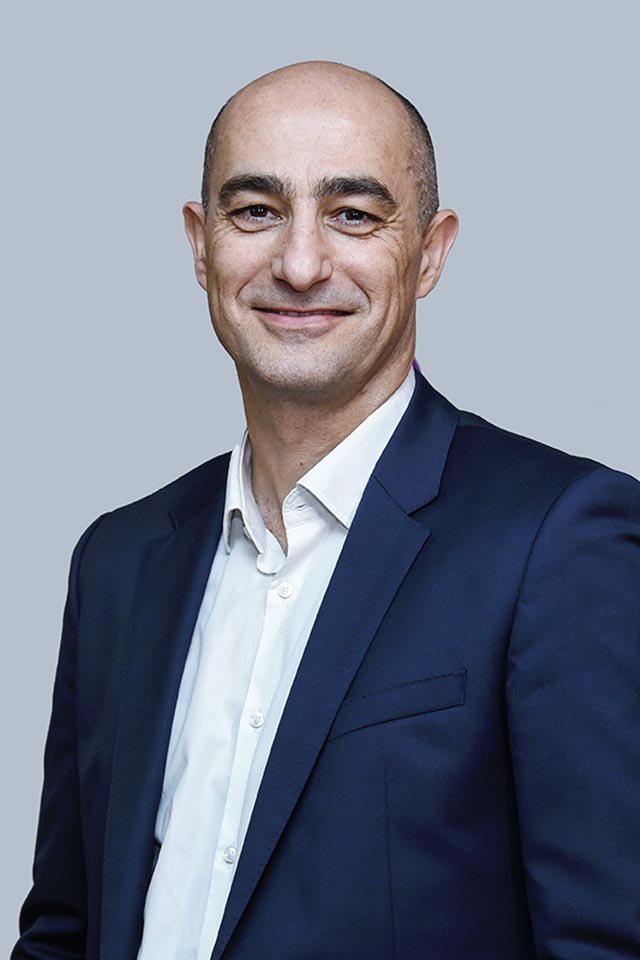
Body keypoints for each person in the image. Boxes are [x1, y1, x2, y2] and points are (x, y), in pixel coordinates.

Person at [12, 61, 640, 960]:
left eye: (353, 215)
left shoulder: (559, 540)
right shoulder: (118, 561)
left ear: (430, 253)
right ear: (200, 245)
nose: (300, 264)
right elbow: (65, 933)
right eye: (255, 210)